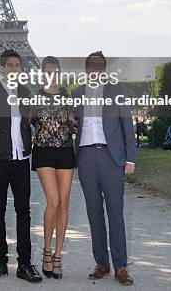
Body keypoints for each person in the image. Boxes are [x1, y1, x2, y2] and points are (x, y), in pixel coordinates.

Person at [72, 51, 135, 285]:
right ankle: (101, 262)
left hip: (111, 157)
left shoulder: (117, 91)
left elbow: (127, 125)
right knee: (94, 212)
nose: (96, 69)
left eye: (100, 65)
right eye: (92, 65)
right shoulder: (76, 94)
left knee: (116, 213)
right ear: (86, 68)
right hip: (86, 156)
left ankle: (120, 266)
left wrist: (131, 158)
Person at [0, 49, 42, 283]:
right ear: (2, 67)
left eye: (17, 65)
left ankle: (24, 264)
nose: (14, 69)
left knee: (23, 212)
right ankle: (1, 261)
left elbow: (36, 123)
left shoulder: (27, 94)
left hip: (21, 161)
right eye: (10, 65)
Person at [29, 56, 76, 279]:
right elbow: (25, 125)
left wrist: (72, 120)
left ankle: (57, 256)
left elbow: (75, 124)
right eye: (48, 71)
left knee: (64, 204)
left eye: (56, 71)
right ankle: (46, 251)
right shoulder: (35, 98)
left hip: (66, 151)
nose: (52, 75)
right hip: (44, 152)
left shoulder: (68, 97)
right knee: (54, 201)